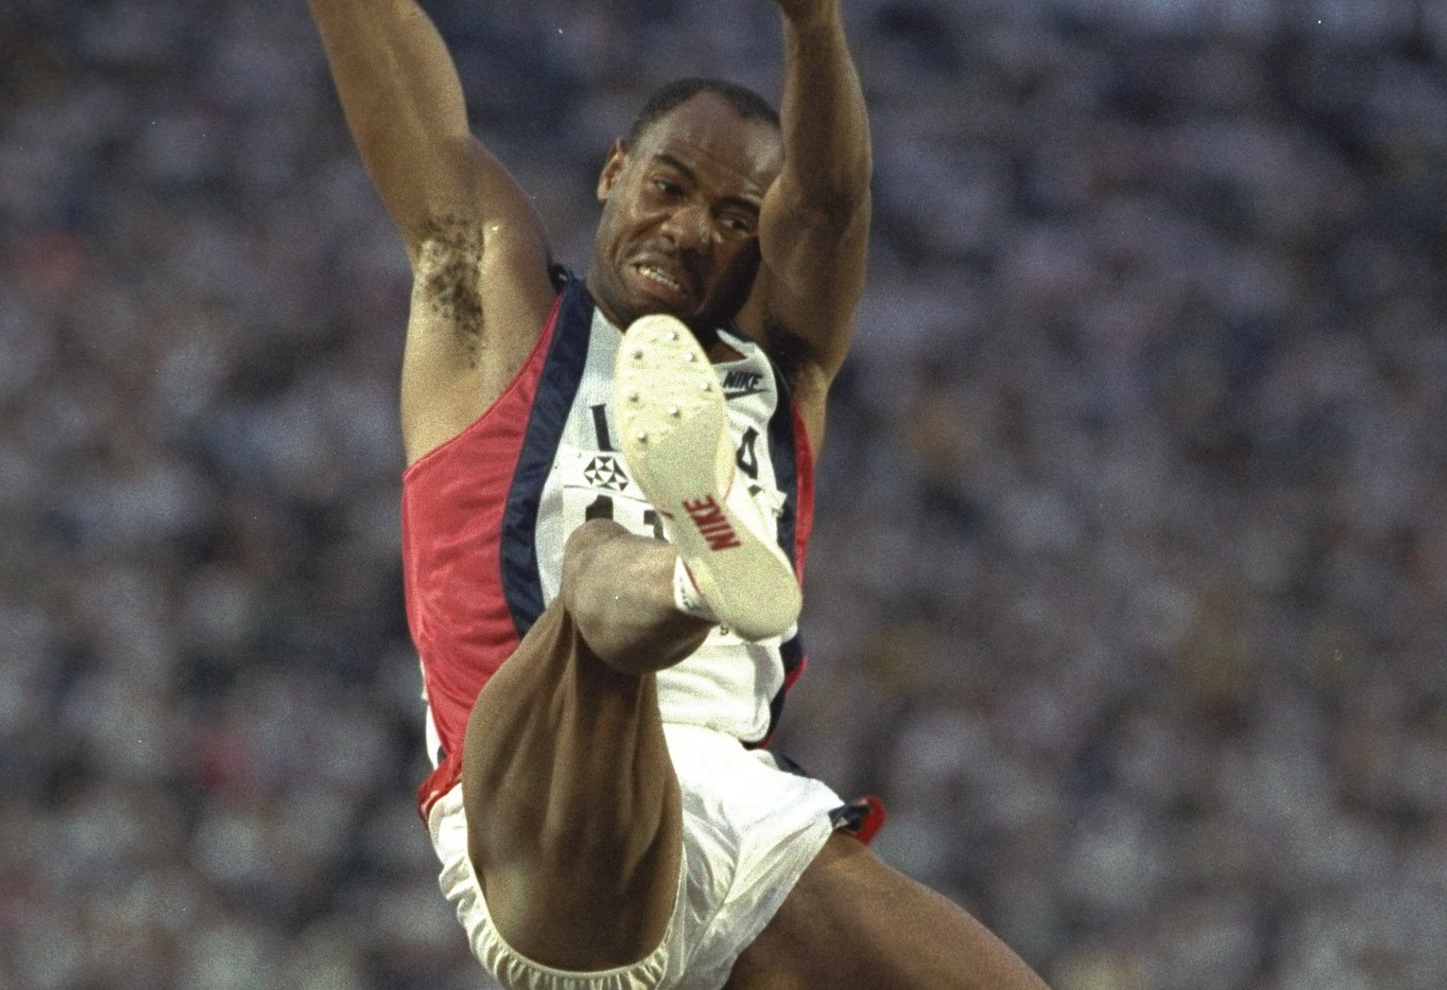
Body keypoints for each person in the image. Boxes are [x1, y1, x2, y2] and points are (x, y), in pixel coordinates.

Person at [308, 1, 1053, 988]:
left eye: (736, 219)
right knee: (596, 569)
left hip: (743, 807)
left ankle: (693, 575)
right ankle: (692, 578)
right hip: (538, 798)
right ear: (614, 172)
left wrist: (815, 25)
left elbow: (830, 209)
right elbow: (412, 107)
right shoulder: (494, 308)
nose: (692, 228)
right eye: (668, 187)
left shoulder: (780, 375)